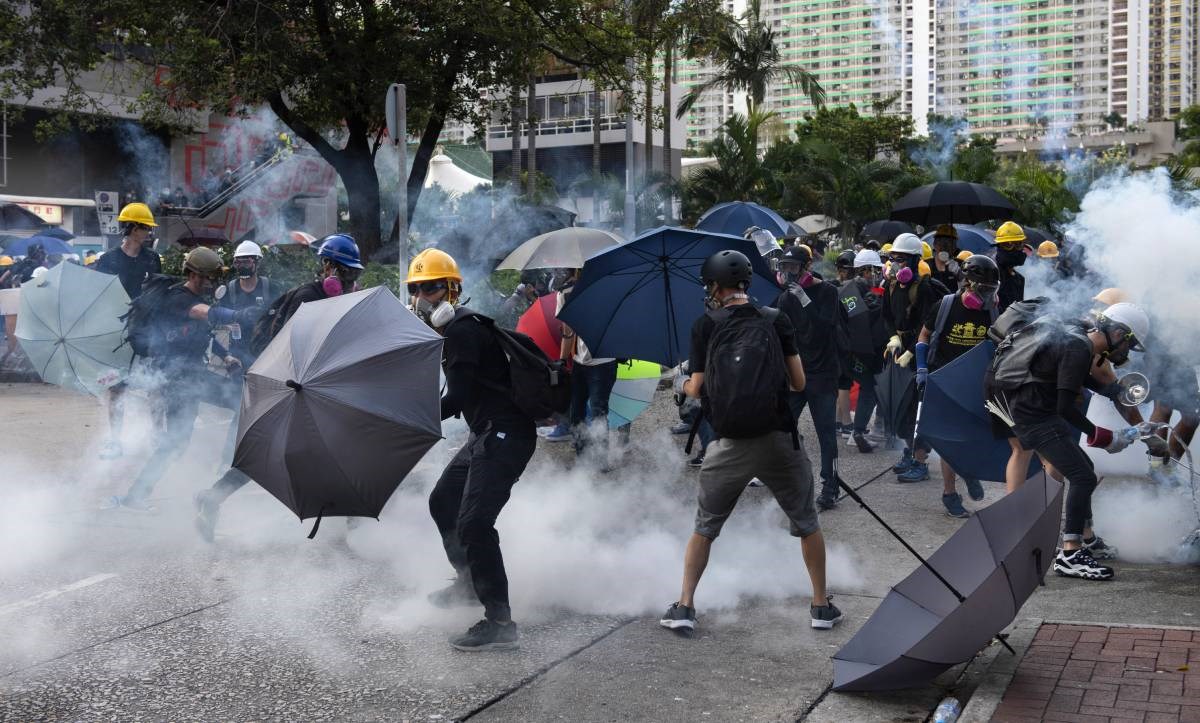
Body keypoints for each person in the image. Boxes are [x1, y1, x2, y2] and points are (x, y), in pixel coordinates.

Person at [660, 249, 841, 633]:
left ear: (714, 286)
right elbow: (799, 384)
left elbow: (696, 388)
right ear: (744, 284)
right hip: (779, 439)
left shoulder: (704, 325)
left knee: (705, 527)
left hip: (729, 444)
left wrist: (680, 381)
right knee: (807, 524)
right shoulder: (776, 319)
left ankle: (685, 606)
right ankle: (821, 607)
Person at [409, 247, 536, 652]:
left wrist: (414, 415)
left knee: (475, 524)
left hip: (505, 435)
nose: (421, 299)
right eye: (415, 289)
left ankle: (500, 622)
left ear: (450, 290)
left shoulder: (462, 330)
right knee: (443, 501)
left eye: (429, 289)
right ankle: (467, 583)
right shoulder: (454, 331)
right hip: (486, 432)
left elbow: (457, 396)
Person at [194, 236, 359, 541]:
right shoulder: (306, 298)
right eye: (344, 272)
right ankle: (212, 498)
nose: (350, 279)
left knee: (334, 448)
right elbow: (293, 350)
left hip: (311, 388)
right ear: (326, 267)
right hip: (289, 386)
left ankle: (354, 522)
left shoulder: (339, 299)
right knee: (270, 454)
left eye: (353, 274)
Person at [986, 302, 1159, 581]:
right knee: (1083, 477)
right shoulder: (1079, 347)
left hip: (1023, 399)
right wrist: (1103, 436)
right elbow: (1065, 408)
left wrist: (1115, 391)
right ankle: (1070, 553)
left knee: (1084, 467)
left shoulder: (1078, 337)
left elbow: (1076, 379)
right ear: (1118, 333)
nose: (1127, 353)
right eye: (1130, 345)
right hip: (1029, 408)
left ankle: (1086, 539)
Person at [103, 248, 253, 511]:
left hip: (192, 376)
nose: (214, 283)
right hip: (178, 380)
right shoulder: (179, 299)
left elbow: (205, 334)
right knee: (176, 443)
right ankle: (134, 496)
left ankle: (225, 464)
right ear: (195, 275)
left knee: (236, 406)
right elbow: (205, 314)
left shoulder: (196, 298)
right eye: (210, 277)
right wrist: (237, 315)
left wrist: (227, 356)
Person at [915, 255, 1000, 518]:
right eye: (983, 289)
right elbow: (924, 335)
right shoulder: (945, 306)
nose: (986, 295)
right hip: (945, 381)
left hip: (976, 382)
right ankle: (950, 494)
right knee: (949, 440)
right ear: (967, 283)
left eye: (990, 290)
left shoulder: (993, 311)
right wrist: (921, 367)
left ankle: (968, 471)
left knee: (976, 437)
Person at [772, 245, 847, 510]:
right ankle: (791, 480)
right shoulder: (785, 298)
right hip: (797, 374)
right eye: (784, 268)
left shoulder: (827, 291)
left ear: (806, 268)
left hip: (824, 373)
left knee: (826, 433)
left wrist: (805, 299)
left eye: (793, 268)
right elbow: (781, 332)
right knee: (782, 427)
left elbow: (826, 328)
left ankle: (831, 485)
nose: (788, 274)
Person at [93, 203, 164, 460]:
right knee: (116, 388)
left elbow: (160, 291)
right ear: (132, 228)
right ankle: (114, 441)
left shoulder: (152, 258)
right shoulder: (108, 260)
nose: (148, 232)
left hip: (148, 330)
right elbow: (99, 296)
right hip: (118, 333)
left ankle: (159, 435)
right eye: (145, 227)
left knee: (156, 385)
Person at [882, 233, 945, 482]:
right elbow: (885, 316)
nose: (895, 262)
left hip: (919, 353)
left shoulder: (925, 287)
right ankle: (908, 451)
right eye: (893, 258)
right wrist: (893, 338)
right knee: (902, 408)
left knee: (918, 407)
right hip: (899, 350)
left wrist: (913, 350)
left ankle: (920, 462)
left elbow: (927, 322)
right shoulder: (891, 285)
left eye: (901, 258)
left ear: (914, 260)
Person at [556, 268, 618, 469]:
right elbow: (567, 331)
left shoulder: (609, 288)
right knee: (577, 411)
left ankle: (600, 458)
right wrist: (562, 360)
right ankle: (582, 456)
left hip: (604, 360)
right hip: (579, 361)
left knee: (599, 410)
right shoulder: (565, 293)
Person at [838, 249, 887, 453]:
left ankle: (857, 432)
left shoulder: (845, 289)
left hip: (849, 351)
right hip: (863, 352)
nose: (877, 274)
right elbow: (863, 322)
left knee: (868, 389)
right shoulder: (863, 292)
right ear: (866, 270)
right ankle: (857, 432)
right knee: (869, 390)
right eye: (875, 270)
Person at [991, 221, 1027, 313]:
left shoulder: (1019, 279)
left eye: (1018, 244)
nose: (1014, 249)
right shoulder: (990, 273)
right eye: (1008, 245)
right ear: (999, 246)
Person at [929, 225, 961, 292]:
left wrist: (960, 275)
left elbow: (967, 291)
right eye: (940, 242)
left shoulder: (961, 266)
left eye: (949, 243)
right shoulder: (926, 266)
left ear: (954, 247)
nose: (944, 247)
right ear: (934, 244)